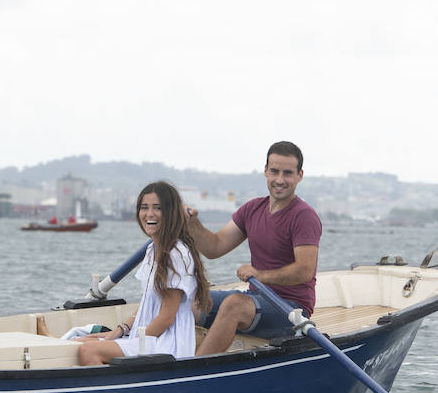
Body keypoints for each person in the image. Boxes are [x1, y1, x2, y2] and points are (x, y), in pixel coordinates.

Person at [191, 141, 322, 357]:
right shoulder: (252, 209)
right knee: (190, 298)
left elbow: (304, 270)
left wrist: (260, 275)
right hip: (257, 301)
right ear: (265, 171)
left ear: (300, 175)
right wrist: (193, 225)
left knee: (234, 305)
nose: (280, 180)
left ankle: (193, 370)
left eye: (288, 173)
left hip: (291, 309)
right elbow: (214, 248)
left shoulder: (304, 216)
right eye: (274, 171)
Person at [77, 180, 211, 365]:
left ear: (171, 213)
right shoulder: (152, 250)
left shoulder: (176, 254)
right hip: (147, 336)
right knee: (78, 341)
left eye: (158, 208)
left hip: (166, 342)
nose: (149, 214)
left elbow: (166, 317)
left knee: (88, 350)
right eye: (144, 207)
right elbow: (149, 301)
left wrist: (133, 340)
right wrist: (121, 330)